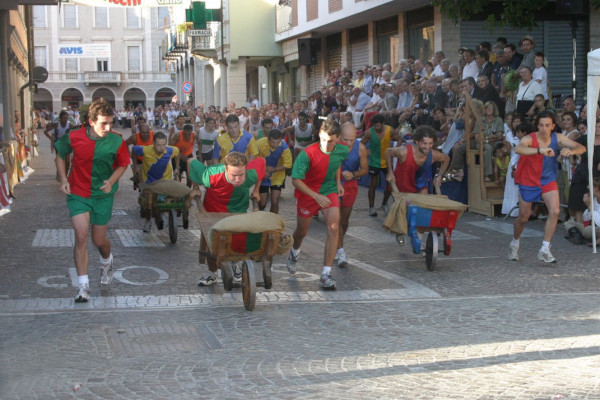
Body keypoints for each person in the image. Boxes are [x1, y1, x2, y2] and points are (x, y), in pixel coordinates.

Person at [54, 99, 130, 302]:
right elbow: (60, 154)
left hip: (102, 196)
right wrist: (63, 179)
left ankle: (107, 260)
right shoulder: (74, 136)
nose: (108, 127)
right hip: (78, 193)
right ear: (91, 121)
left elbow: (123, 164)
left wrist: (111, 181)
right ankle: (83, 287)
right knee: (81, 236)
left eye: (110, 123)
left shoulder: (116, 141)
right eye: (103, 123)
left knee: (98, 241)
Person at [508, 110, 586, 263]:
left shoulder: (557, 137)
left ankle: (545, 249)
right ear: (537, 125)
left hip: (547, 179)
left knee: (555, 210)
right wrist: (540, 150)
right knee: (523, 217)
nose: (544, 129)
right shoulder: (530, 138)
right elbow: (519, 149)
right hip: (528, 179)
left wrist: (571, 151)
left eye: (547, 125)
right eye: (541, 125)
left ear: (553, 126)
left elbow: (581, 147)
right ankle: (514, 242)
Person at [286, 119, 349, 290]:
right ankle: (294, 252)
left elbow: (336, 163)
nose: (326, 145)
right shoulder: (308, 153)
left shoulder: (343, 149)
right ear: (318, 135)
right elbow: (296, 180)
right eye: (323, 140)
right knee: (301, 232)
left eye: (331, 141)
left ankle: (326, 274)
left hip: (329, 190)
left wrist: (338, 182)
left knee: (334, 227)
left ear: (338, 139)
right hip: (308, 192)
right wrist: (315, 196)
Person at [188, 152, 266, 286]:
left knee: (239, 238)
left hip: (237, 211)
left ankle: (237, 263)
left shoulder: (251, 174)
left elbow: (262, 162)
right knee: (210, 244)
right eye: (233, 175)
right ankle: (212, 273)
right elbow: (190, 162)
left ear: (246, 170)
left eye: (241, 175)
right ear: (225, 169)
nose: (237, 179)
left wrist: (257, 190)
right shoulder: (209, 176)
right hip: (213, 213)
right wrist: (195, 187)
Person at [132, 131, 181, 232]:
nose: (161, 148)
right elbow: (133, 150)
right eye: (158, 145)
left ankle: (163, 214)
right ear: (153, 143)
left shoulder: (170, 150)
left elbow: (178, 152)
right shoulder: (145, 150)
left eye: (163, 145)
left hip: (165, 181)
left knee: (165, 200)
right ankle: (148, 220)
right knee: (146, 204)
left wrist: (177, 167)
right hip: (148, 182)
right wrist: (135, 167)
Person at [335, 122, 368, 267]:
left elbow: (365, 169)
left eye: (352, 140)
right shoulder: (332, 146)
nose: (348, 143)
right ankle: (340, 250)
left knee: (344, 221)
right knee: (336, 219)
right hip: (333, 185)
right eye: (345, 139)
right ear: (339, 136)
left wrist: (354, 174)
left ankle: (338, 243)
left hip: (350, 186)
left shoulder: (360, 148)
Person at [385, 125, 450, 194]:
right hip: (402, 186)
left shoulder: (433, 155)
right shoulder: (404, 152)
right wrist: (390, 172)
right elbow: (388, 151)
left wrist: (440, 176)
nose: (427, 147)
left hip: (420, 185)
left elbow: (446, 159)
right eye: (424, 143)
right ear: (417, 141)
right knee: (404, 204)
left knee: (424, 201)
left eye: (430, 143)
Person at [360, 113, 401, 216]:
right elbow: (361, 143)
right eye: (375, 125)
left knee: (389, 184)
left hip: (387, 161)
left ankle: (384, 204)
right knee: (372, 184)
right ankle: (371, 207)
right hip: (374, 162)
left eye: (379, 125)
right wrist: (365, 151)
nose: (377, 127)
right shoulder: (369, 132)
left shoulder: (390, 130)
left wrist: (395, 150)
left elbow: (399, 139)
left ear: (383, 123)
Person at [256, 129, 292, 214]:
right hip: (263, 176)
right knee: (262, 203)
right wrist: (263, 169)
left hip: (277, 177)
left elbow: (288, 164)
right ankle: (258, 217)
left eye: (277, 142)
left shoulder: (284, 147)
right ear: (268, 139)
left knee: (275, 201)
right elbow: (253, 157)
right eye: (272, 142)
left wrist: (274, 169)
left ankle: (273, 221)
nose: (275, 145)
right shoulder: (259, 143)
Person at [125, 123, 154, 189]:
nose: (145, 134)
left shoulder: (153, 135)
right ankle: (139, 186)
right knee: (138, 174)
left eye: (147, 132)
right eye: (143, 133)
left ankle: (145, 188)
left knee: (149, 176)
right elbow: (125, 143)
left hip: (149, 159)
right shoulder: (134, 137)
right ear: (139, 132)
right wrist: (129, 153)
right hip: (138, 159)